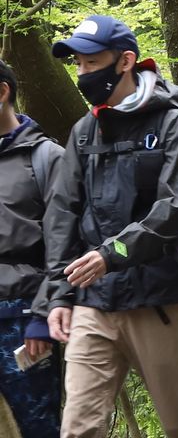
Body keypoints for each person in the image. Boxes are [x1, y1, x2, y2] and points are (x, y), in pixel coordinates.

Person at [34, 15, 178, 436]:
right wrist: (58, 295)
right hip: (92, 304)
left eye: (91, 62)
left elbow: (176, 206)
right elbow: (62, 215)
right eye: (77, 64)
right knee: (78, 428)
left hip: (159, 301)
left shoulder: (172, 123)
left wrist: (112, 253)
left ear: (125, 61)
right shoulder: (83, 132)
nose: (82, 73)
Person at [0, 59, 64, 437]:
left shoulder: (46, 158)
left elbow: (65, 244)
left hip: (23, 318)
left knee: (36, 427)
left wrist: (43, 316)